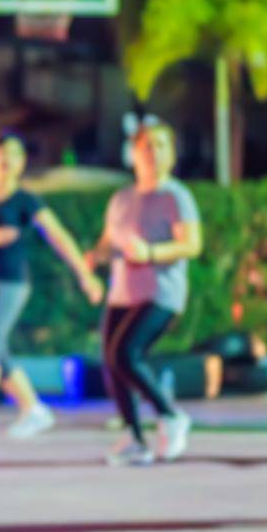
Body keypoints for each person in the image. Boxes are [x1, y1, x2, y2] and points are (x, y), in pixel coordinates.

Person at [0, 133, 104, 443]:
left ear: (21, 164)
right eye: (2, 153)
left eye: (15, 154)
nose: (7, 159)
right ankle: (33, 408)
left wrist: (85, 275)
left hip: (12, 281)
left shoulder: (26, 200)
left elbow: (58, 236)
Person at [88, 122, 202, 466]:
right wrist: (96, 257)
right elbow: (108, 243)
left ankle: (171, 415)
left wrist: (150, 253)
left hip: (161, 293)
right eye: (146, 146)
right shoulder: (121, 198)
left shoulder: (176, 196)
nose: (153, 152)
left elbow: (192, 245)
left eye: (161, 145)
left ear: (172, 154)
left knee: (125, 354)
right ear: (133, 154)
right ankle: (133, 438)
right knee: (111, 362)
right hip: (122, 293)